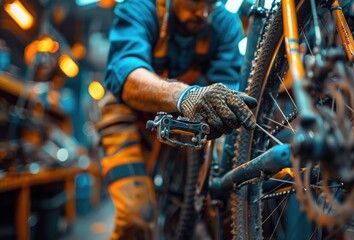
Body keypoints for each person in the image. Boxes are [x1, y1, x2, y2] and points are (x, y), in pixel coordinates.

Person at [96, 0, 256, 239]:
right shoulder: (141, 7)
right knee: (136, 217)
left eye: (211, 4)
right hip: (129, 117)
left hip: (186, 121)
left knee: (198, 205)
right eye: (195, 2)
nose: (203, 13)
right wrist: (184, 95)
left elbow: (225, 88)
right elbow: (126, 71)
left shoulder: (224, 24)